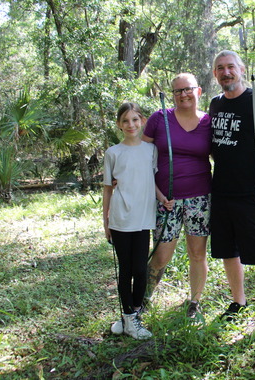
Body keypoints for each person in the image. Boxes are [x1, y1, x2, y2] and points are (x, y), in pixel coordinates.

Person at [209, 50, 255, 339]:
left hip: (252, 195)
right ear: (215, 74)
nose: (226, 72)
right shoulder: (215, 104)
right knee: (229, 253)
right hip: (221, 193)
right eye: (220, 68)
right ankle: (238, 302)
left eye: (230, 67)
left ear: (241, 69)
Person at [142, 73, 212, 317]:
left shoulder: (208, 123)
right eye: (178, 91)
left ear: (199, 91)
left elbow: (224, 157)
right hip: (166, 200)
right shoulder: (159, 119)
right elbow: (140, 153)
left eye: (188, 89)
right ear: (172, 95)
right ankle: (143, 298)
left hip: (200, 198)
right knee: (161, 255)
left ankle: (194, 302)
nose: (183, 94)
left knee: (197, 253)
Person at [103, 102, 157, 340]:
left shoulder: (150, 149)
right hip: (121, 218)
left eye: (135, 119)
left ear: (142, 120)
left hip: (144, 217)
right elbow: (107, 189)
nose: (131, 124)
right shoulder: (113, 152)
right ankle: (127, 316)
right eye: (125, 121)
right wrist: (105, 221)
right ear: (119, 125)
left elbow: (151, 180)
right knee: (126, 270)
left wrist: (163, 198)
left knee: (140, 269)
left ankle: (132, 315)